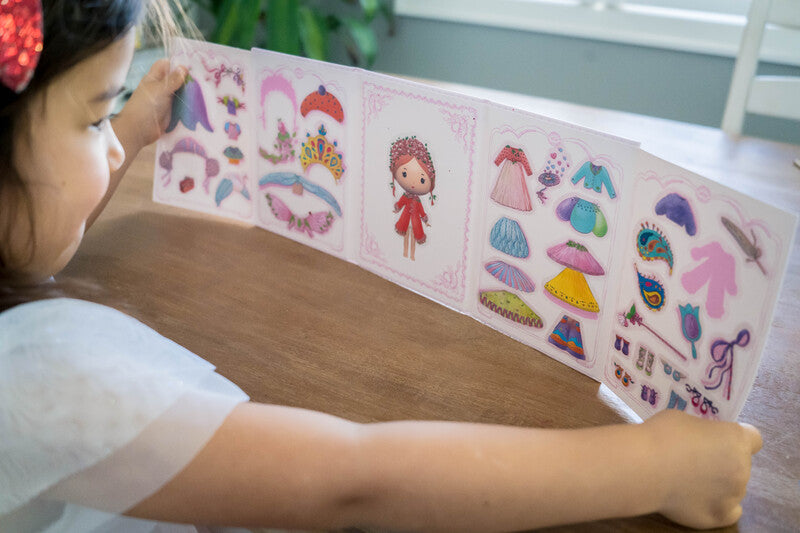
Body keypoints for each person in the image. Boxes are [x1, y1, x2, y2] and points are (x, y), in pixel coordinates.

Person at [0, 1, 763, 532]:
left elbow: (28, 226)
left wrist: (130, 130)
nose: (112, 145)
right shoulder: (34, 384)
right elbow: (354, 478)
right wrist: (652, 467)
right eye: (93, 116)